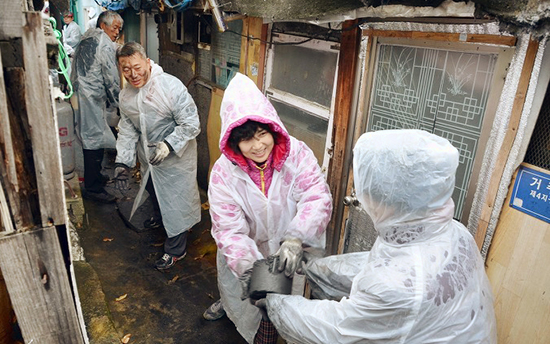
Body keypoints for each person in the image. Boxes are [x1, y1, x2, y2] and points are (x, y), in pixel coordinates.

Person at [256, 129, 497, 344]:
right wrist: (314, 267)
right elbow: (380, 267)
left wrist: (278, 305)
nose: (363, 200)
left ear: (390, 199)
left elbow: (336, 330)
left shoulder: (396, 289)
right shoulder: (452, 232)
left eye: (367, 192)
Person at [203, 73, 333, 344]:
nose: (258, 145)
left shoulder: (296, 154)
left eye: (263, 134)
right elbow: (230, 231)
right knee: (242, 302)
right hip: (247, 252)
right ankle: (230, 310)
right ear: (234, 143)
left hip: (289, 252)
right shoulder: (223, 174)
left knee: (282, 311)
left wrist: (297, 237)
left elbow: (315, 196)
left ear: (273, 129)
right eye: (247, 140)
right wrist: (253, 275)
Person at [113, 42, 201, 270]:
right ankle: (161, 220)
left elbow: (191, 123)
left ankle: (175, 250)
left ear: (147, 61)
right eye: (126, 69)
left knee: (176, 201)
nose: (133, 74)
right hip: (149, 159)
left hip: (175, 160)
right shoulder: (126, 96)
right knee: (154, 191)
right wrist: (122, 162)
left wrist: (168, 145)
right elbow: (128, 127)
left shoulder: (170, 87)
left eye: (136, 67)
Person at [71, 10, 123, 203]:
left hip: (81, 94)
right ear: (103, 25)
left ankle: (97, 176)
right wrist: (119, 102)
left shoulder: (88, 37)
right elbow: (111, 78)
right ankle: (93, 188)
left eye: (119, 28)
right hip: (92, 98)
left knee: (92, 137)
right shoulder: (105, 44)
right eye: (115, 27)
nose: (117, 32)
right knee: (94, 140)